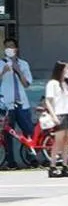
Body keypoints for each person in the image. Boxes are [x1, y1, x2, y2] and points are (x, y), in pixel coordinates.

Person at [0, 39, 33, 171]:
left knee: (28, 131)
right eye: (7, 47)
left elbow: (27, 84)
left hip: (22, 103)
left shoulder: (23, 64)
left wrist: (18, 71)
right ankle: (11, 161)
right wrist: (3, 73)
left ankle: (31, 157)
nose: (9, 49)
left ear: (16, 49)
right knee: (8, 133)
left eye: (11, 47)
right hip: (6, 104)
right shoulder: (1, 64)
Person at [43, 61, 68, 178]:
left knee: (67, 141)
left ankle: (65, 166)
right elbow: (48, 101)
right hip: (59, 114)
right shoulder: (52, 83)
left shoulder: (66, 83)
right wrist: (53, 116)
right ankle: (53, 166)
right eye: (67, 68)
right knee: (58, 141)